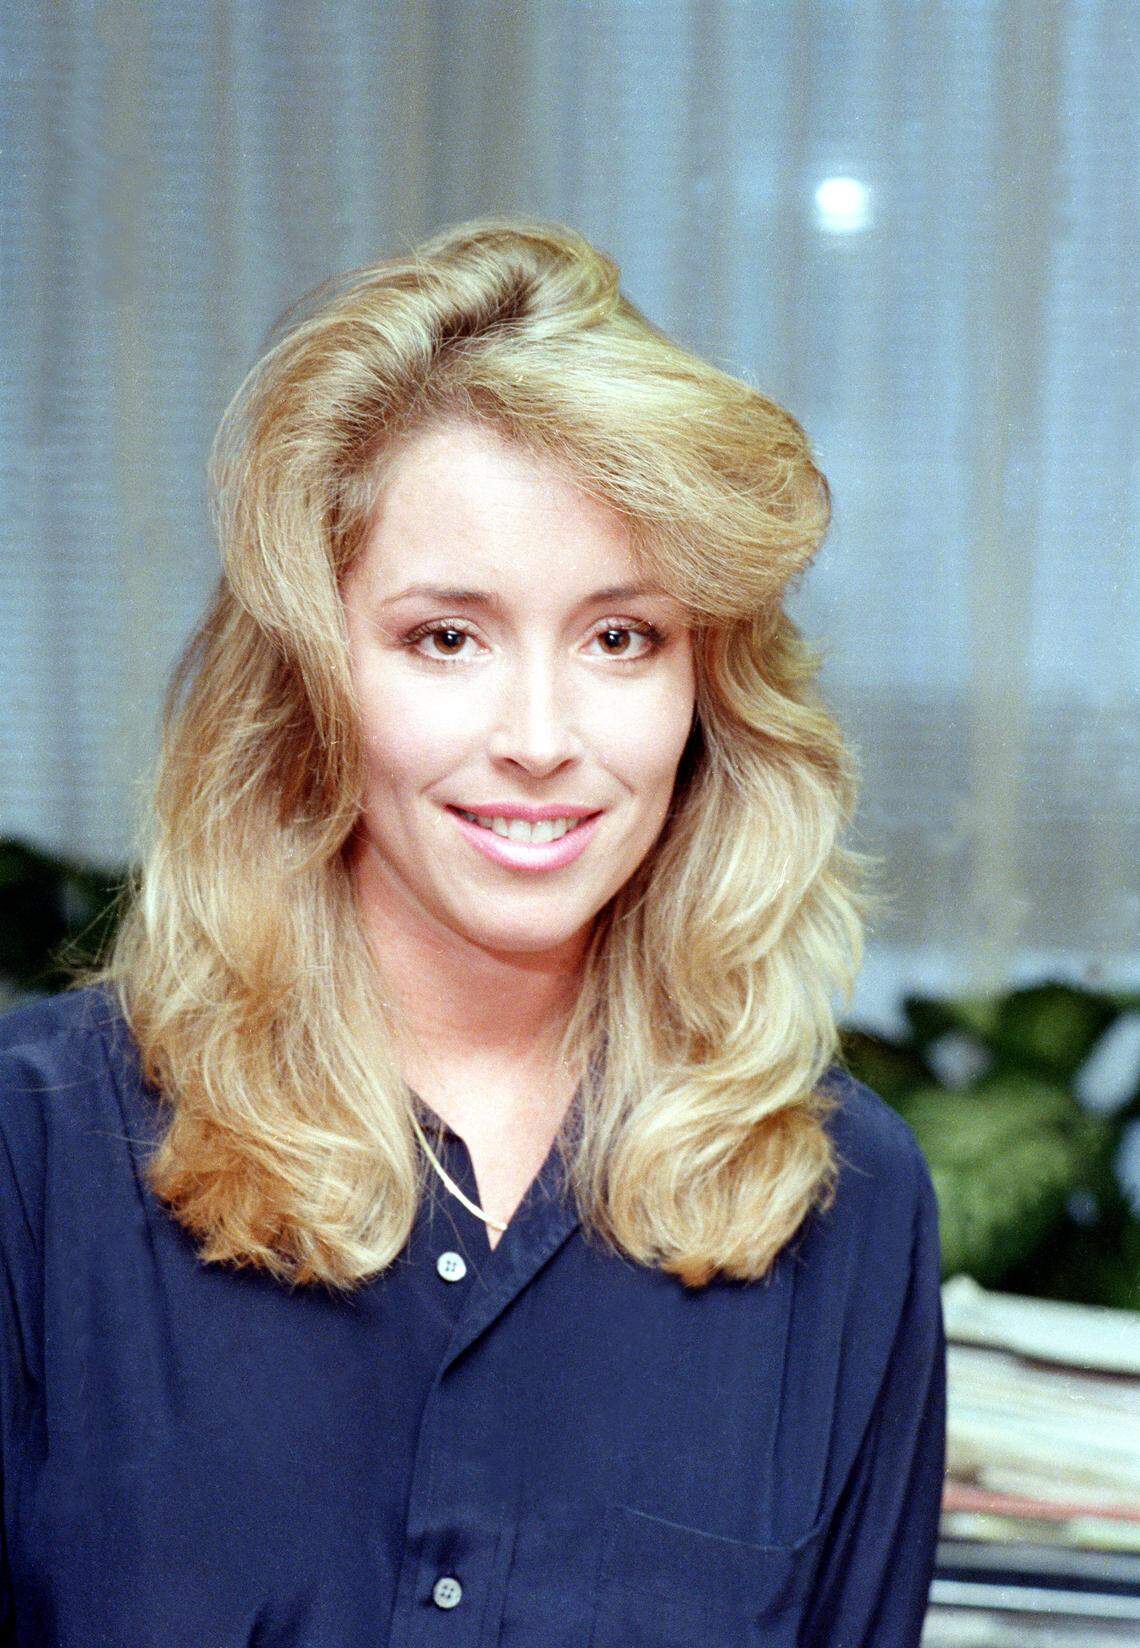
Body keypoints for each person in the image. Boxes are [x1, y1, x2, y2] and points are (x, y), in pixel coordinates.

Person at [0, 218, 946, 1646]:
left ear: (710, 695)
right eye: (448, 636)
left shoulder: (846, 1202)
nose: (541, 740)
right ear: (313, 684)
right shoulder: (38, 1157)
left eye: (620, 637)